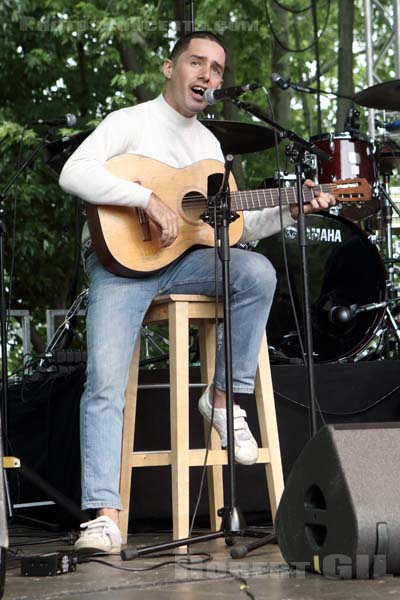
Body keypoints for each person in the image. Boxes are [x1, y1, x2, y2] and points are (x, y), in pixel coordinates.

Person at [59, 31, 335, 554]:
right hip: (120, 264)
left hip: (184, 264)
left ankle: (223, 398)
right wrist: (146, 199)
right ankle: (104, 516)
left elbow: (232, 230)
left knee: (255, 273)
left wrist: (291, 208)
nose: (208, 75)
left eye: (216, 69)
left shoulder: (211, 148)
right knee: (104, 384)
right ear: (170, 68)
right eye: (196, 62)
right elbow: (74, 172)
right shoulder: (129, 122)